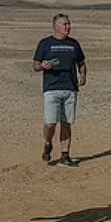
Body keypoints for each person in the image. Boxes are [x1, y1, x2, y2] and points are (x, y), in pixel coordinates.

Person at [33, 14, 87, 167]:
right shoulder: (45, 43)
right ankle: (47, 143)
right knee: (50, 123)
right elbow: (35, 65)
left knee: (66, 123)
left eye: (69, 24)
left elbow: (81, 62)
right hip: (51, 88)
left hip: (70, 87)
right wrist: (42, 66)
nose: (68, 27)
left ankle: (65, 155)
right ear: (56, 26)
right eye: (65, 24)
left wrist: (83, 75)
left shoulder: (74, 44)